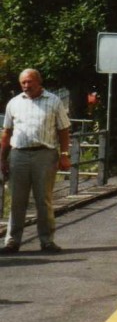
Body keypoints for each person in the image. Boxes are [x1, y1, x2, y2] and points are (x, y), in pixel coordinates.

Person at [0, 69, 72, 253]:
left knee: (43, 199)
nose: (26, 86)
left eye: (29, 82)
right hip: (19, 155)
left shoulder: (53, 101)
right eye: (23, 82)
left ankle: (47, 241)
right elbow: (7, 132)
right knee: (17, 200)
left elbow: (64, 130)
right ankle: (12, 241)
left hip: (45, 155)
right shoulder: (14, 103)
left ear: (39, 82)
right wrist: (2, 158)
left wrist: (64, 154)